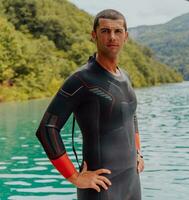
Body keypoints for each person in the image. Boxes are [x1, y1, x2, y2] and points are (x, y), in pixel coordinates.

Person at [36, 9, 144, 200]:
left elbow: (130, 114)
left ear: (126, 36)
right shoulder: (82, 79)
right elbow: (47, 128)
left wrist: (138, 152)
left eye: (118, 31)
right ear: (93, 35)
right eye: (105, 31)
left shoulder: (125, 75)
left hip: (132, 182)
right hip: (101, 188)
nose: (112, 37)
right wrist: (74, 177)